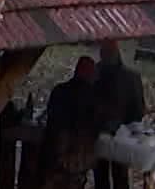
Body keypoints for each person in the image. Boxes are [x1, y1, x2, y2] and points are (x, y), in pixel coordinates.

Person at [39, 57, 102, 189]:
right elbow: (96, 126)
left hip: (53, 155)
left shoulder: (58, 90)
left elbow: (50, 119)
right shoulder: (93, 97)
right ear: (89, 74)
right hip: (76, 158)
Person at [92, 41, 146, 189]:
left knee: (104, 178)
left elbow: (139, 110)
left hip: (105, 133)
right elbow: (139, 110)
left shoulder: (94, 74)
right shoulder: (131, 77)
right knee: (117, 178)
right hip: (116, 133)